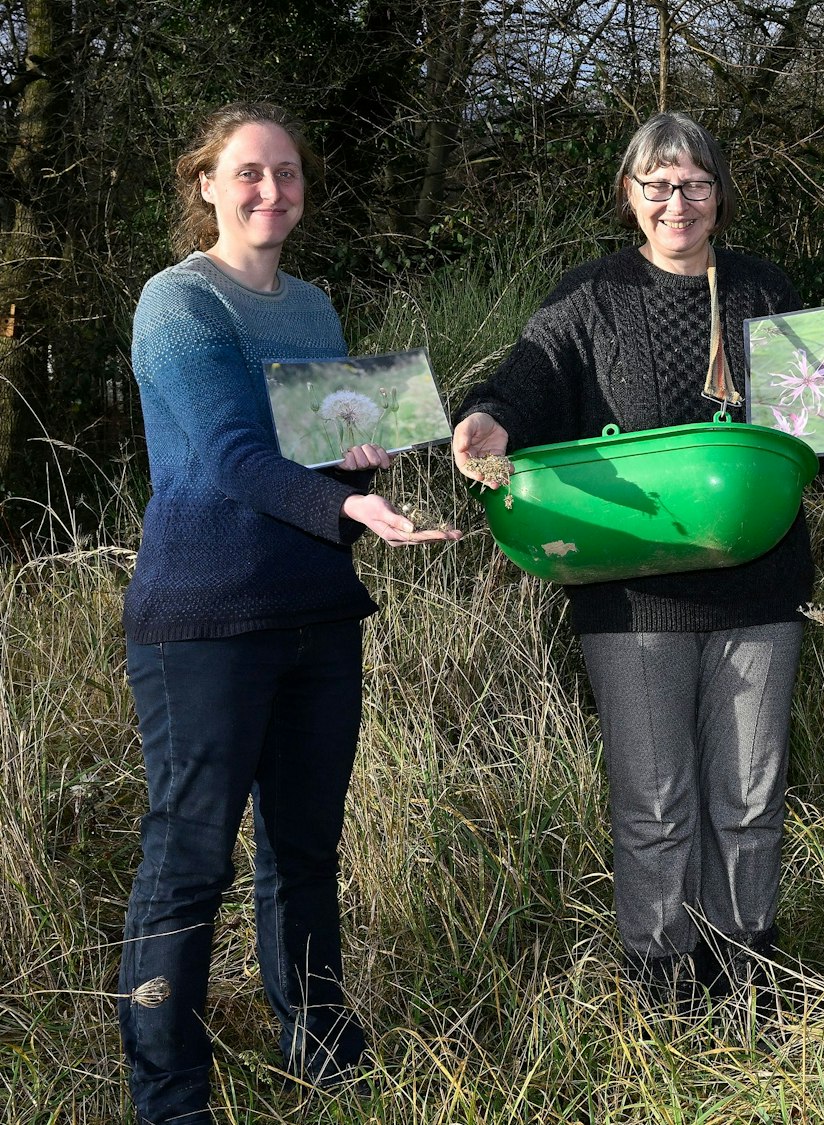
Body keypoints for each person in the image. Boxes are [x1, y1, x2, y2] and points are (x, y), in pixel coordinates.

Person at [451, 112, 824, 1002]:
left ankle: (748, 972)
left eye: (693, 183)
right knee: (655, 806)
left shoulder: (764, 292)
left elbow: (819, 421)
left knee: (748, 798)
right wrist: (485, 419)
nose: (675, 201)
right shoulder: (588, 298)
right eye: (656, 183)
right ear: (629, 195)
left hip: (760, 585)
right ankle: (661, 984)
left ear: (719, 196)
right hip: (630, 600)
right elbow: (523, 386)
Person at [120, 102, 459, 1125]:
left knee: (305, 854)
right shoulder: (178, 304)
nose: (273, 190)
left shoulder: (312, 309)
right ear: (208, 186)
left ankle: (324, 1059)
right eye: (250, 174)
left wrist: (362, 465)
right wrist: (345, 501)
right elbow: (231, 456)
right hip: (205, 623)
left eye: (289, 173)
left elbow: (314, 453)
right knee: (188, 864)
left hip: (317, 609)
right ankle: (170, 1099)